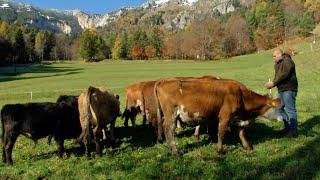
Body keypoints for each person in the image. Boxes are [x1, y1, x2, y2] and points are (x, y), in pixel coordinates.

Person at [265, 49, 298, 138]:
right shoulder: (277, 64)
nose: (273, 58)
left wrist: (273, 83)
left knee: (290, 110)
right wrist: (272, 83)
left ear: (280, 54)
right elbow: (278, 77)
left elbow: (284, 74)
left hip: (289, 88)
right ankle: (288, 128)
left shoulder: (288, 61)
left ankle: (293, 132)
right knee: (279, 109)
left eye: (274, 56)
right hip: (281, 90)